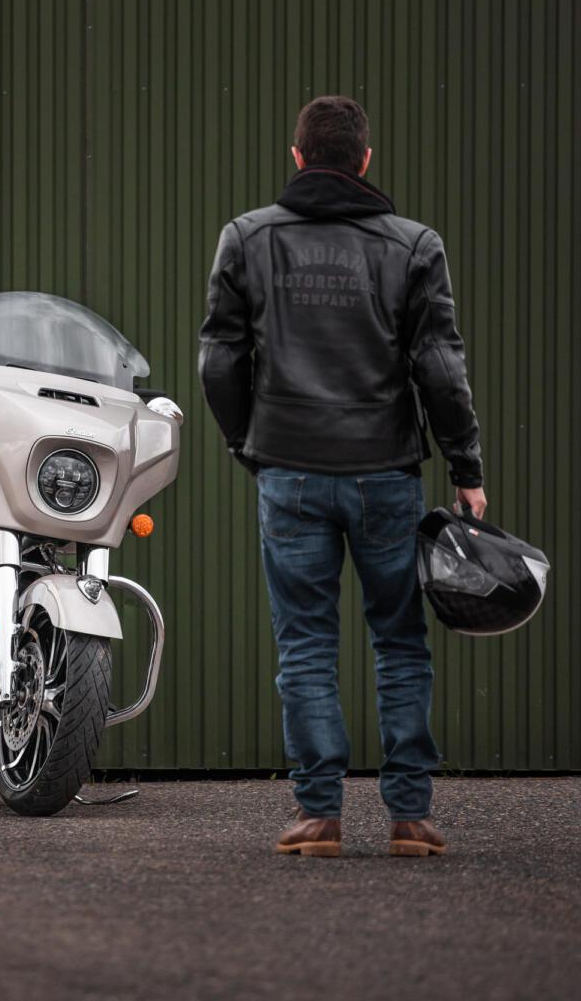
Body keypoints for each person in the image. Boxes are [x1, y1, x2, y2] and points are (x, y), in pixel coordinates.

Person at [198, 95, 485, 857]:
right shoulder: (414, 245)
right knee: (400, 641)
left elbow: (218, 360)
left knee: (305, 645)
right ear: (365, 160)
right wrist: (466, 467)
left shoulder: (248, 238)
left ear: (297, 158)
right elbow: (441, 369)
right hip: (386, 474)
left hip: (289, 472)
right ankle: (411, 818)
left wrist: (247, 444)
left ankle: (318, 816)